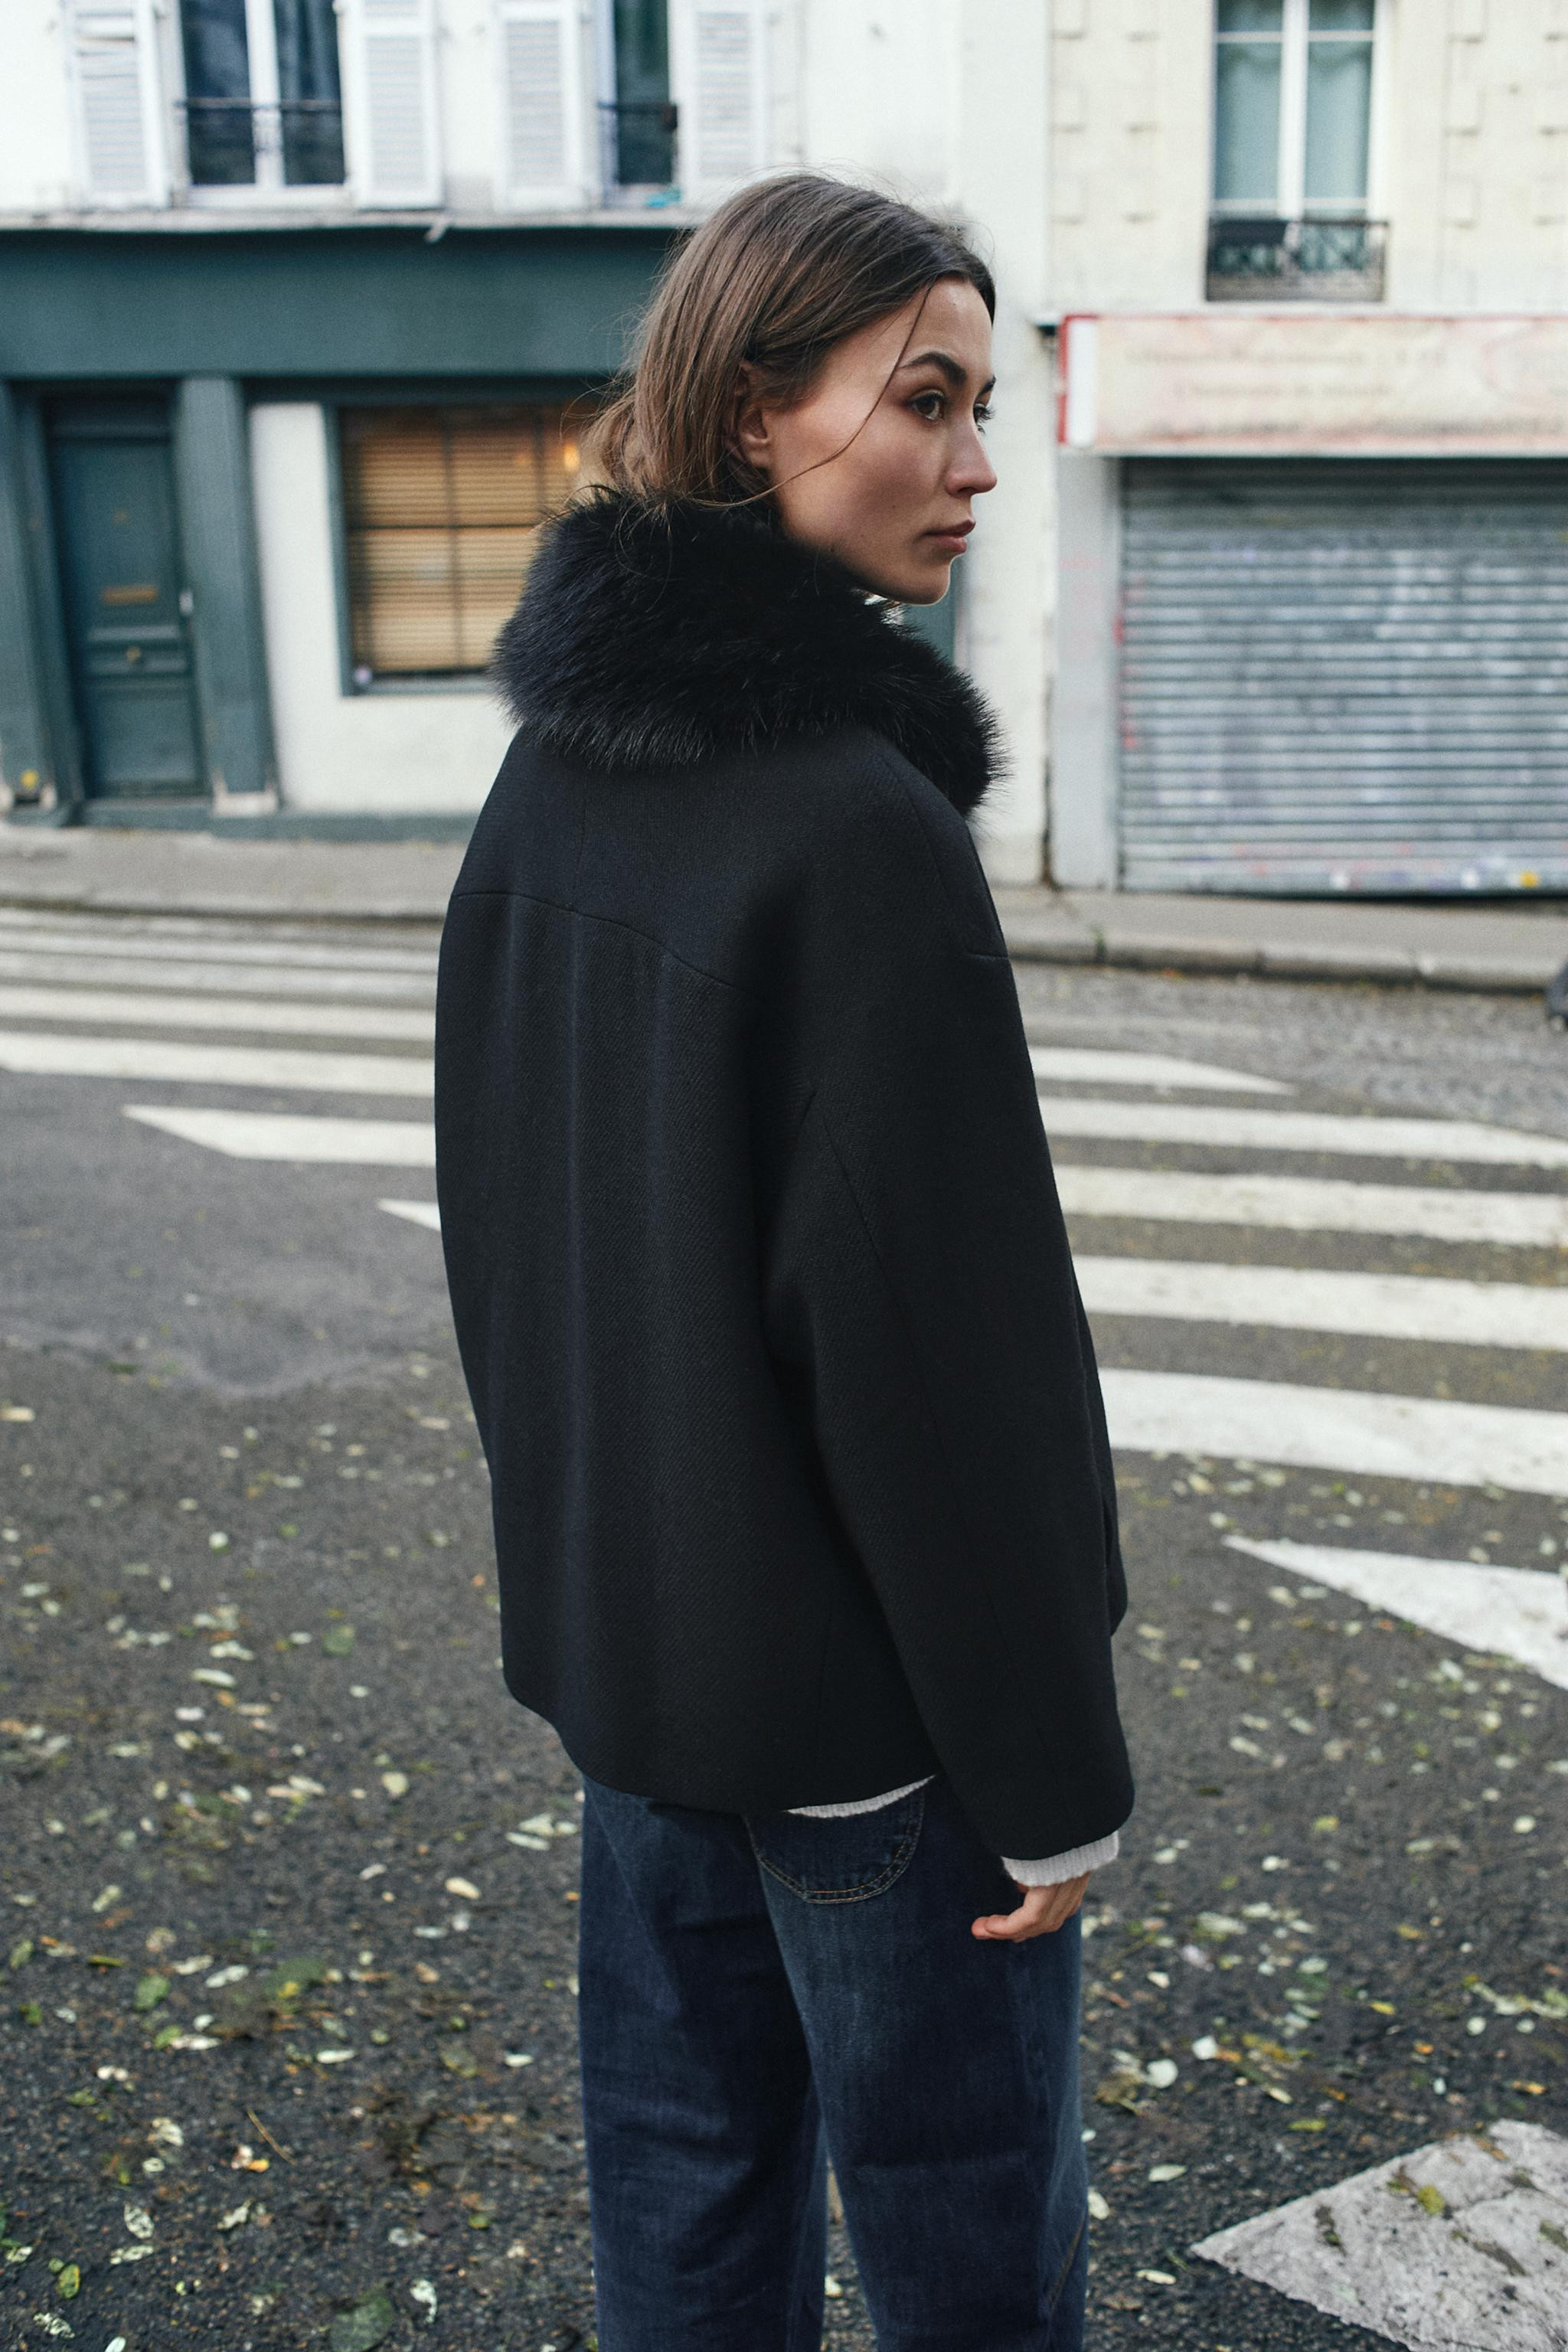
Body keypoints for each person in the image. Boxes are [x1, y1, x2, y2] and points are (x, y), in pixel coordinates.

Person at [434, 171, 1133, 2352]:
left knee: (685, 2186)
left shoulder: (553, 777)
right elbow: (947, 1364)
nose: (978, 461)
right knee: (961, 2228)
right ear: (754, 413)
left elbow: (510, 1247)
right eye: (924, 401)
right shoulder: (855, 828)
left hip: (643, 1686)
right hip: (869, 1734)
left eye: (981, 406)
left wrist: (593, 1598)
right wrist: (1052, 1770)